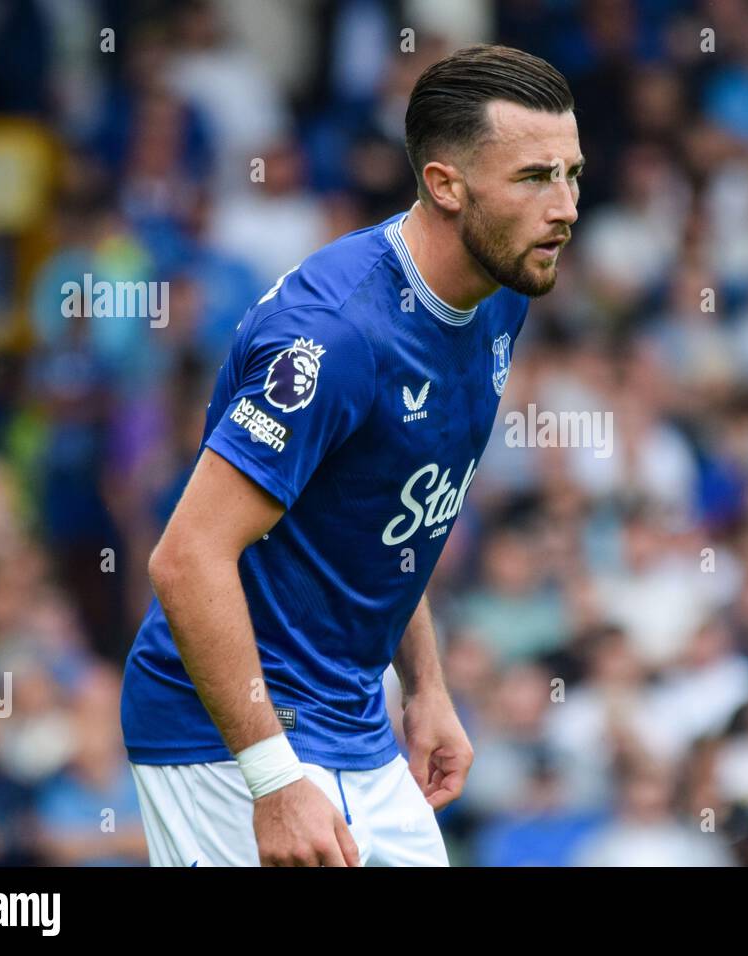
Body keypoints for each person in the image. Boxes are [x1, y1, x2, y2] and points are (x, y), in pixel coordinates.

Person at [119, 43, 582, 866]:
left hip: (355, 719)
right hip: (230, 739)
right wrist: (271, 779)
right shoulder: (336, 338)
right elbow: (186, 559)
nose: (566, 206)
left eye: (572, 174)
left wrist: (427, 689)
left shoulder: (501, 294)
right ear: (445, 184)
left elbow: (396, 518)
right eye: (535, 177)